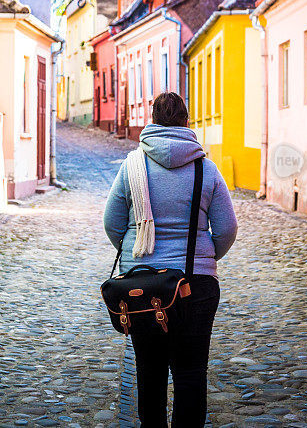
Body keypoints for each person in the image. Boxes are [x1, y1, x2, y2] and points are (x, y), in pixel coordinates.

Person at [103, 92, 237, 427]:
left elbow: (112, 223)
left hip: (142, 287)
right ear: (186, 122)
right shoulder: (206, 168)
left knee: (149, 371)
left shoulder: (132, 166)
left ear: (151, 119)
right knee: (191, 373)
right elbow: (226, 228)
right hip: (197, 284)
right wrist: (205, 259)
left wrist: (137, 254)